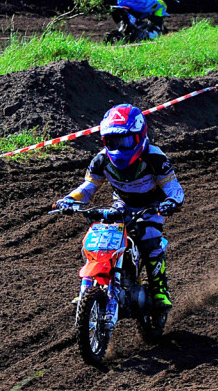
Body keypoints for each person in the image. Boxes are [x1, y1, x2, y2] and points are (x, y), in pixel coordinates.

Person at [55, 104, 184, 309]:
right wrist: (69, 200)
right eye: (113, 141)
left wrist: (171, 202)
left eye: (125, 141)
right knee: (98, 243)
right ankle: (88, 289)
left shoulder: (154, 157)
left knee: (150, 243)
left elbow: (174, 188)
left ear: (140, 136)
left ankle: (160, 291)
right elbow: (88, 187)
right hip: (122, 205)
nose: (119, 147)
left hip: (152, 206)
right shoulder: (102, 159)